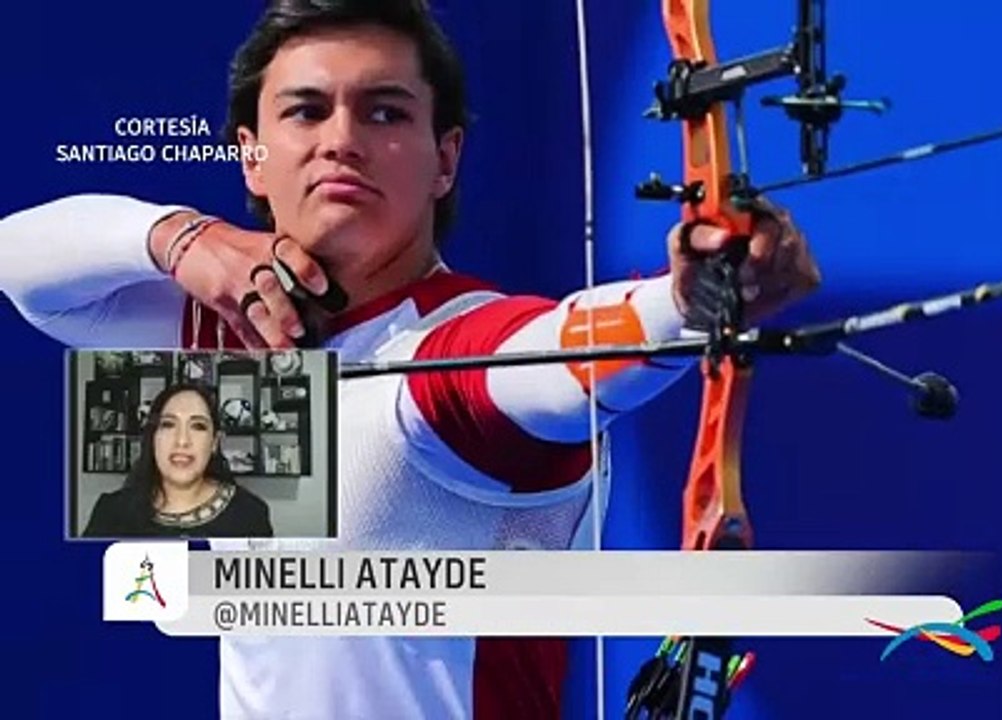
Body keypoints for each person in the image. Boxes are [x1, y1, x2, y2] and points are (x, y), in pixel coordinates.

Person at [0, 1, 820, 718]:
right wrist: (184, 238)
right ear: (251, 153)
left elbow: (553, 354)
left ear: (447, 159)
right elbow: (23, 267)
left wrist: (684, 303)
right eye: (306, 111)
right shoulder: (229, 339)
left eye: (385, 113)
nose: (341, 142)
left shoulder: (447, 357)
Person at [83, 381, 274, 539]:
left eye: (198, 426)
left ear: (214, 442)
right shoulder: (111, 512)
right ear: (153, 437)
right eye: (168, 425)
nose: (182, 440)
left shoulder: (250, 514)